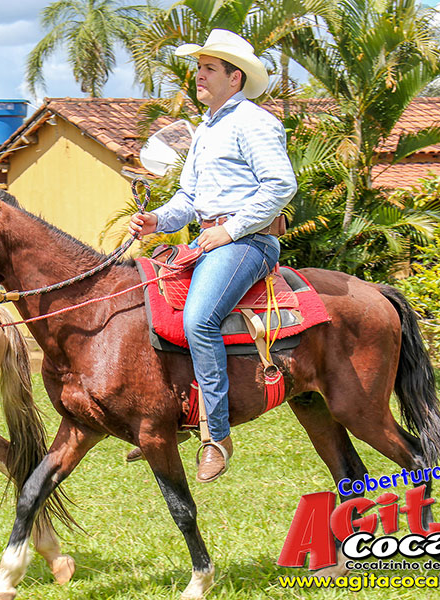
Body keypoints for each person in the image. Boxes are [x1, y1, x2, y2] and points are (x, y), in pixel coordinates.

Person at [129, 30, 297, 483]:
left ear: (234, 77)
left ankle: (215, 435)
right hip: (209, 239)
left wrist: (229, 229)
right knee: (148, 306)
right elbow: (189, 196)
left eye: (208, 68)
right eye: (198, 67)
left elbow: (281, 185)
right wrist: (157, 221)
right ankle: (175, 414)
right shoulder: (205, 128)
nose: (198, 75)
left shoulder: (255, 122)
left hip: (248, 243)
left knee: (199, 319)